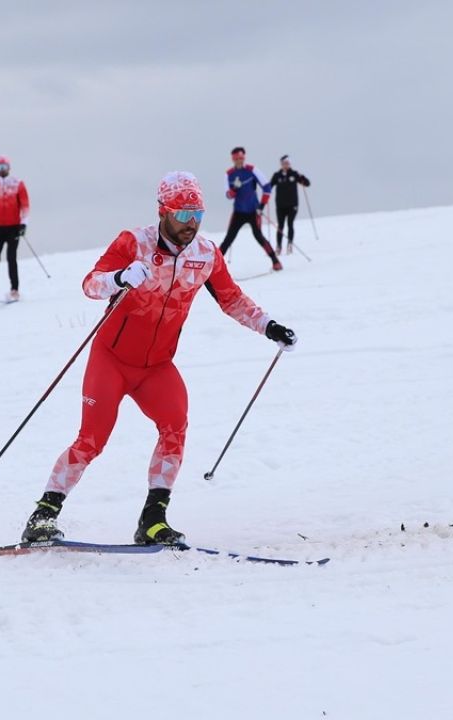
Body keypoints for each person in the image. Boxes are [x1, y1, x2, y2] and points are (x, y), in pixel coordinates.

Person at [21, 171, 298, 545]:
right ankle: (43, 515)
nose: (192, 224)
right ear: (163, 211)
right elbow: (91, 284)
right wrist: (119, 277)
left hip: (156, 367)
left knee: (175, 426)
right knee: (92, 440)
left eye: (198, 215)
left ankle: (153, 520)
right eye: (183, 215)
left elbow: (231, 299)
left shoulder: (206, 255)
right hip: (112, 359)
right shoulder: (133, 242)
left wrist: (269, 326)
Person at [219, 147, 282, 272]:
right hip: (238, 212)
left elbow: (267, 187)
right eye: (236, 159)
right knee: (229, 238)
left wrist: (262, 205)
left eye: (241, 158)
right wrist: (234, 190)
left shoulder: (252, 170)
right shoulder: (229, 174)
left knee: (258, 236)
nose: (239, 161)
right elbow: (228, 195)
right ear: (233, 159)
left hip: (254, 211)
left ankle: (275, 261)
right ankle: (213, 265)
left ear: (244, 158)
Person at [0, 155, 29, 302]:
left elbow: (25, 205)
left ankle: (14, 289)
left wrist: (24, 223)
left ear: (9, 168)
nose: (2, 170)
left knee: (11, 257)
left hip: (13, 227)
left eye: (4, 167)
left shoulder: (17, 184)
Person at [268, 155, 312, 255]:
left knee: (290, 224)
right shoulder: (277, 175)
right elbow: (269, 187)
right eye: (284, 163)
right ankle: (278, 246)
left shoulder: (294, 174)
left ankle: (290, 244)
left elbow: (307, 183)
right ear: (281, 164)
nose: (285, 165)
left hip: (292, 205)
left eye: (287, 163)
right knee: (280, 226)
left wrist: (302, 178)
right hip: (280, 205)